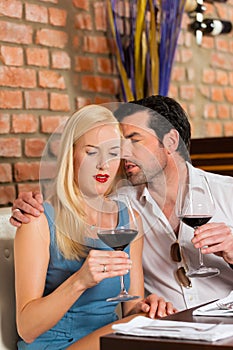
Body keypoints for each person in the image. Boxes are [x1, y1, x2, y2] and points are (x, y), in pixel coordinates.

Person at [11, 96, 233, 311]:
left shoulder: (227, 193)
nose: (123, 152)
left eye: (134, 140)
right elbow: (73, 199)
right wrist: (29, 204)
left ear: (170, 141)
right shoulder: (120, 206)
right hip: (169, 331)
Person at [13, 104, 176, 350]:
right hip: (56, 345)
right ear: (71, 155)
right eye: (91, 152)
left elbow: (130, 306)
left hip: (108, 341)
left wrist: (146, 307)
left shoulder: (129, 220)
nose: (103, 165)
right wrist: (80, 280)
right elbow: (26, 329)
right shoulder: (37, 220)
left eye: (112, 153)